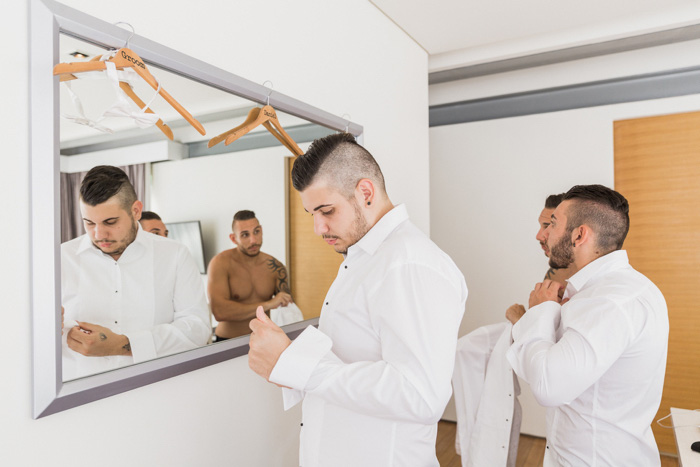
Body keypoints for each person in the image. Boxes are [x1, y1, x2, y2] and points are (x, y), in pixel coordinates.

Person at [247, 133, 468, 466]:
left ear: (366, 192)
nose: (318, 228)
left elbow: (421, 395)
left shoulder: (408, 264)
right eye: (311, 215)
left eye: (327, 211)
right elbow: (352, 354)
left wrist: (296, 364)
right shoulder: (363, 258)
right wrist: (287, 358)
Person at [506, 184, 669, 466]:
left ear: (579, 235)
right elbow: (543, 366)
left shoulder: (609, 302)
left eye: (552, 224)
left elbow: (548, 386)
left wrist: (542, 312)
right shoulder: (600, 293)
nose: (542, 235)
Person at [61, 165, 210, 380]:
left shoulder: (175, 255)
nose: (99, 233)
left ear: (136, 211)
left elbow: (197, 329)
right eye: (89, 223)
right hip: (77, 400)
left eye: (110, 222)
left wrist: (124, 344)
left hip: (155, 392)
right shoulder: (60, 258)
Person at [207, 210, 293, 340]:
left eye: (256, 232)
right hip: (228, 342)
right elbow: (220, 312)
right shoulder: (220, 263)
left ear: (262, 230)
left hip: (263, 340)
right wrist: (269, 304)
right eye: (245, 235)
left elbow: (287, 306)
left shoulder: (276, 267)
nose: (253, 240)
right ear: (233, 238)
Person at [506, 192, 574, 324]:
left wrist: (520, 321)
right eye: (542, 226)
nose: (539, 235)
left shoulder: (597, 286)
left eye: (549, 225)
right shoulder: (554, 274)